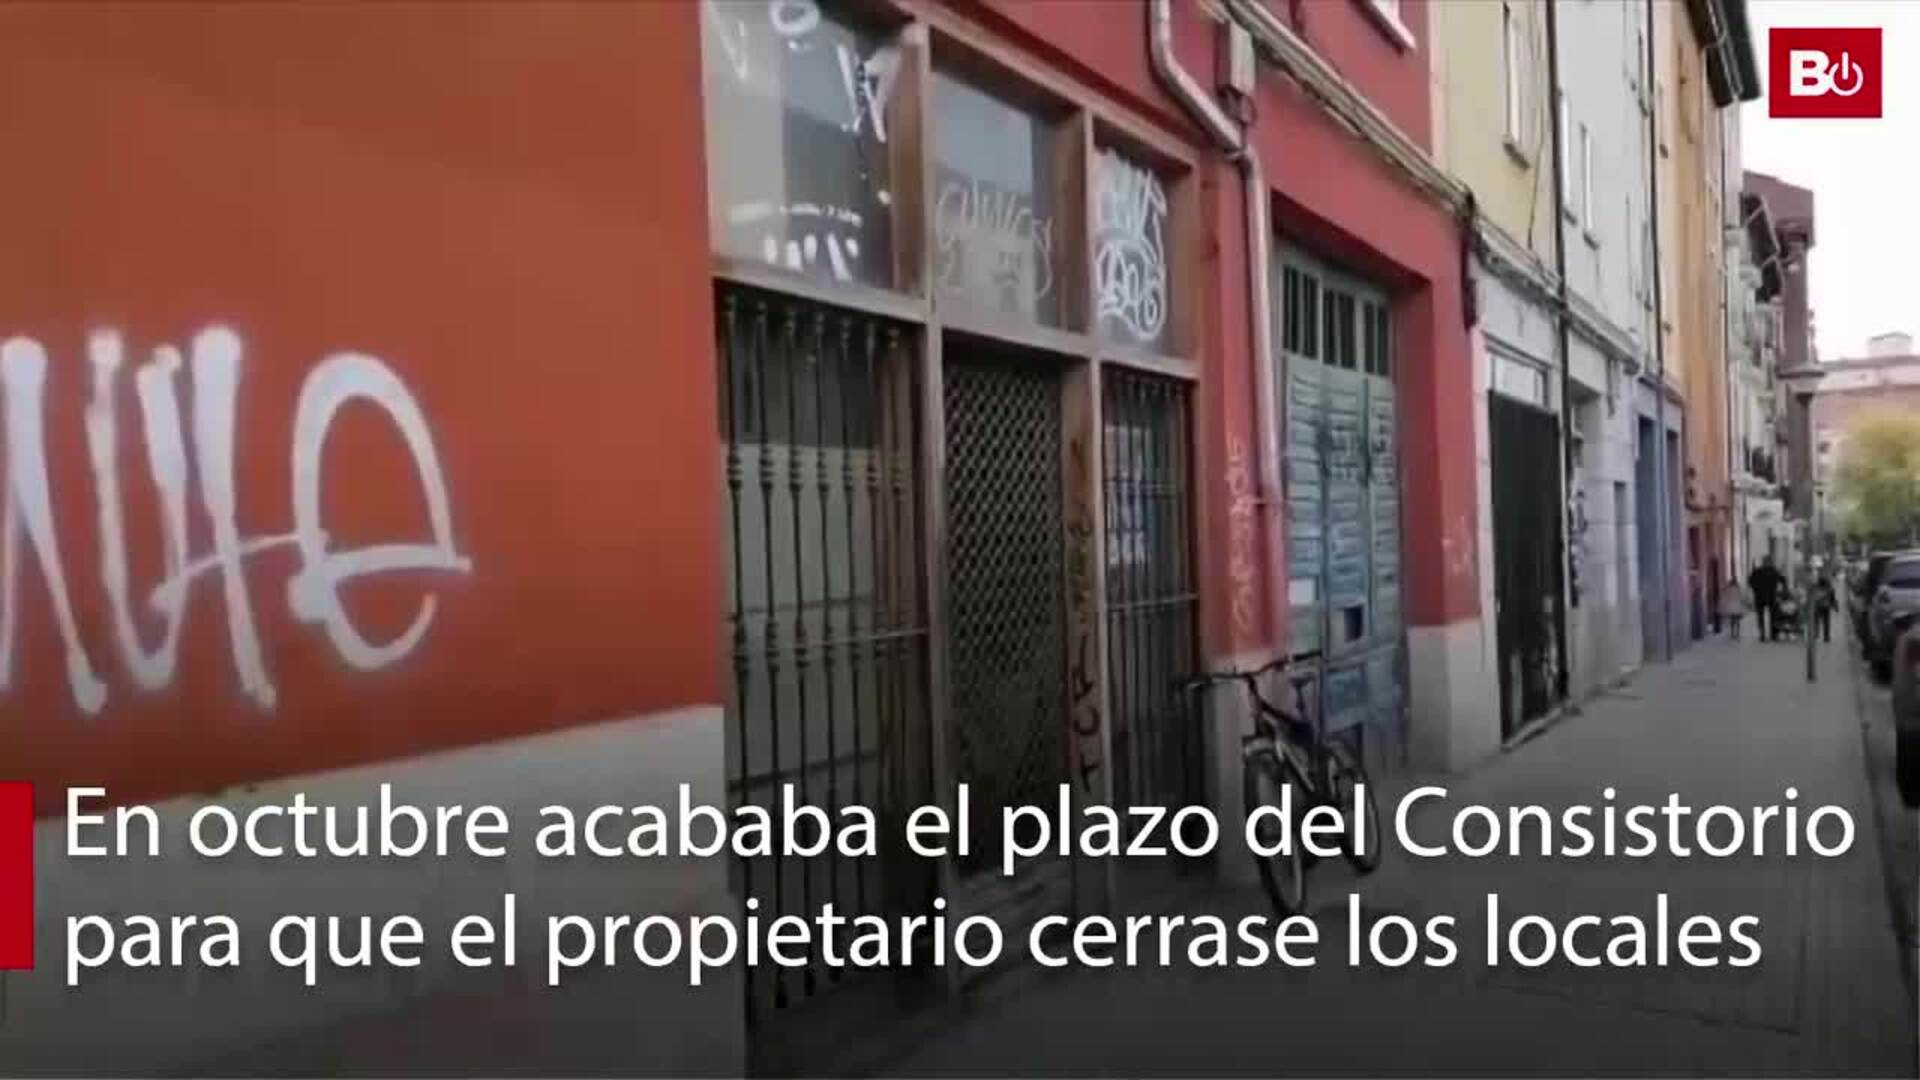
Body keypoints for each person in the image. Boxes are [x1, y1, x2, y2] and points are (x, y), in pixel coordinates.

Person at [1749, 556, 1786, 641]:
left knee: (1763, 617)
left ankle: (1764, 635)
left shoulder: (1758, 571)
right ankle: (1772, 635)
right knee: (1772, 616)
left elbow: (1750, 581)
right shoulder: (1773, 571)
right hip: (1770, 596)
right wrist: (1782, 590)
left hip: (1761, 596)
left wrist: (1756, 589)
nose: (1767, 563)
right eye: (1768, 561)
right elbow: (1783, 580)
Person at [1811, 570, 1836, 643]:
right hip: (1826, 606)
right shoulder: (1829, 588)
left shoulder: (1816, 587)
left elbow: (1813, 596)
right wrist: (1833, 604)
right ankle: (1826, 637)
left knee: (1816, 621)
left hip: (1817, 606)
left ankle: (1816, 635)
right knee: (1826, 622)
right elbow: (1832, 597)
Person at [1721, 575, 1748, 640]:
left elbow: (1725, 596)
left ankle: (1732, 633)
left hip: (1730, 605)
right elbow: (1742, 596)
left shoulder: (1728, 588)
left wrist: (1724, 603)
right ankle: (1737, 633)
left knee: (1732, 620)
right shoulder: (1739, 588)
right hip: (1737, 605)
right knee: (1737, 620)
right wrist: (1744, 602)